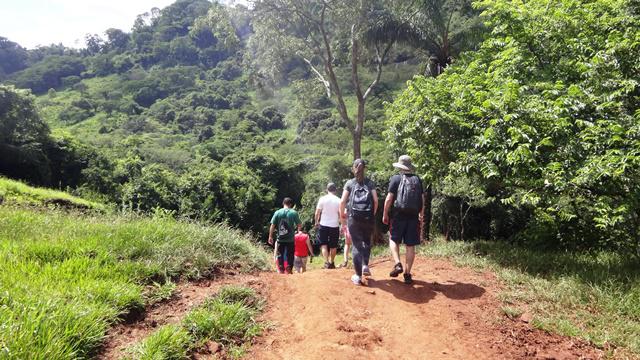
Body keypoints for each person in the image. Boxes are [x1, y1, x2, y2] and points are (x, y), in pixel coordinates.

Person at [382, 155, 425, 285]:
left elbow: (389, 198)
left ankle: (397, 263)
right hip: (413, 216)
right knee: (410, 245)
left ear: (400, 166)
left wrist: (385, 213)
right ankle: (407, 274)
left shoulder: (396, 178)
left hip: (398, 215)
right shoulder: (417, 179)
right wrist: (421, 216)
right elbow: (422, 200)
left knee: (393, 239)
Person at [340, 159, 378, 285]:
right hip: (368, 217)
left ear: (353, 168)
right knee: (366, 241)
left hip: (354, 218)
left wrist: (343, 217)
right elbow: (376, 200)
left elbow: (342, 201)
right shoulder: (370, 183)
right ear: (365, 169)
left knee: (356, 245)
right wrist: (371, 214)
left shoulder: (350, 183)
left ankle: (357, 276)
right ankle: (365, 265)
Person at [268, 197, 302, 274]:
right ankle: (289, 266)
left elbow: (272, 225)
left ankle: (281, 268)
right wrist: (297, 232)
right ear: (290, 204)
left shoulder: (277, 213)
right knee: (290, 254)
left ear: (283, 203)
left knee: (280, 254)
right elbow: (299, 225)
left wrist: (270, 236)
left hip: (280, 239)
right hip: (290, 239)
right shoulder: (293, 213)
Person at [315, 182, 341, 269]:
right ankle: (332, 262)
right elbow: (341, 214)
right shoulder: (338, 200)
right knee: (333, 245)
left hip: (323, 224)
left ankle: (326, 263)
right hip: (334, 225)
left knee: (324, 244)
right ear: (335, 190)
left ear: (327, 189)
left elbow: (317, 212)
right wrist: (342, 223)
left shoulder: (322, 199)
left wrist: (316, 222)